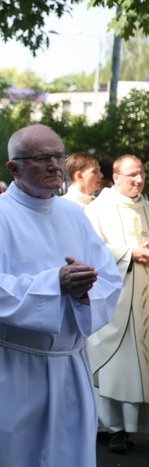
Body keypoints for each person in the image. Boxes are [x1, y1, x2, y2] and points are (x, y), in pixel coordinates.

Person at [0, 124, 122, 467]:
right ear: (14, 168)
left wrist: (85, 293)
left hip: (67, 365)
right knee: (3, 455)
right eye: (43, 158)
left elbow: (109, 279)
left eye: (60, 155)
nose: (56, 165)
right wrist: (53, 283)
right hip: (11, 366)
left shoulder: (74, 215)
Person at [84, 154, 149, 453]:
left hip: (143, 300)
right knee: (111, 362)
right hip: (114, 300)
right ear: (116, 177)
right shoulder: (98, 208)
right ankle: (110, 428)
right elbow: (90, 248)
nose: (138, 180)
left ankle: (128, 427)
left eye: (141, 174)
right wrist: (129, 253)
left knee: (135, 366)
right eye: (132, 175)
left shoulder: (146, 206)